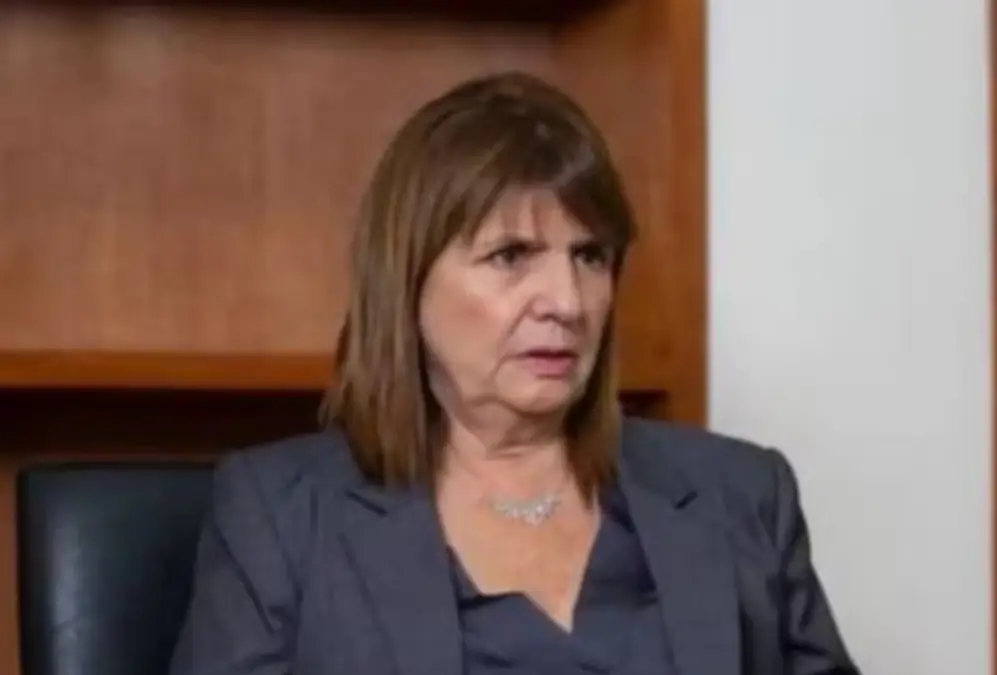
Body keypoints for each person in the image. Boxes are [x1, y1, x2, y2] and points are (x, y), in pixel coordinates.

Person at [169, 71, 860, 675]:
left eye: (589, 257)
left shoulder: (742, 495)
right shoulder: (280, 517)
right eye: (511, 256)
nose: (567, 302)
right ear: (408, 282)